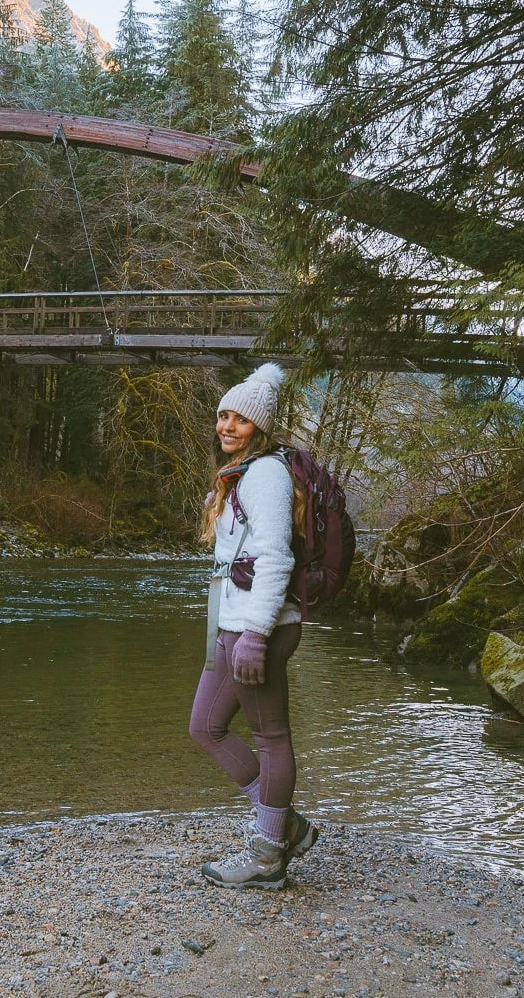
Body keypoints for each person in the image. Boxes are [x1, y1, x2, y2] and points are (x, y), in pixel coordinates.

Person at [189, 362, 318, 889]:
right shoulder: (242, 472)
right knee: (205, 727)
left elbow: (275, 560)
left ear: (259, 428)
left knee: (271, 736)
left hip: (256, 627)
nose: (226, 426)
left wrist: (256, 636)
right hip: (236, 623)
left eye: (240, 419)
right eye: (223, 415)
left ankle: (268, 853)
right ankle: (284, 824)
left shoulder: (264, 474)